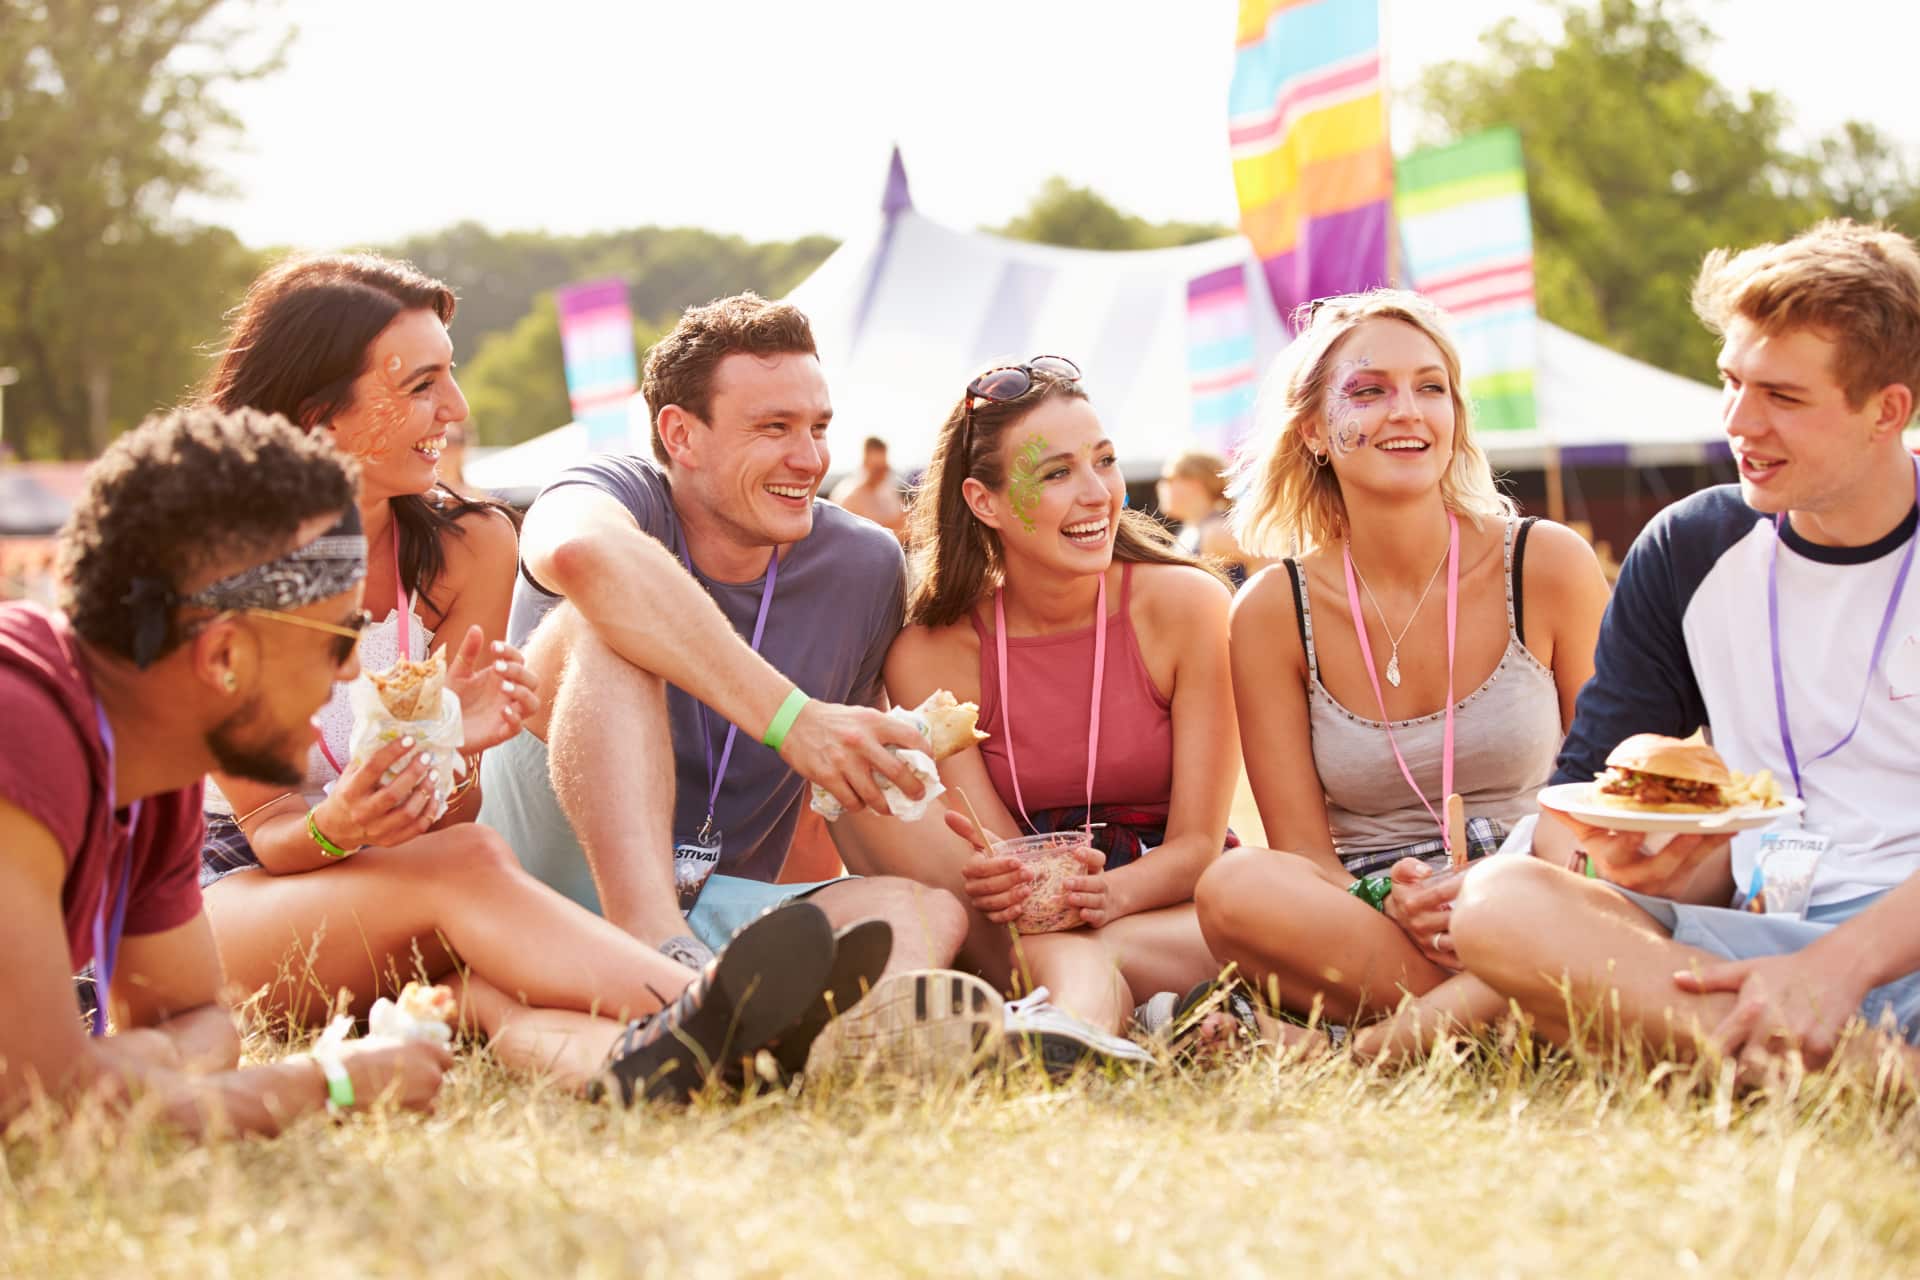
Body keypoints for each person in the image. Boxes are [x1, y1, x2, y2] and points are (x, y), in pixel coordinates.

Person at [194, 257, 847, 1102]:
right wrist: (343, 821)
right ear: (320, 415)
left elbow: (452, 812)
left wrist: (448, 752)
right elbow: (278, 830)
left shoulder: (468, 546)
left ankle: (668, 1063)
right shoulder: (221, 564)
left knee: (480, 985)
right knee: (467, 864)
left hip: (407, 883)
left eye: (450, 375)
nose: (457, 411)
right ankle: (717, 1003)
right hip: (239, 886)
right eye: (423, 384)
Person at [1450, 220, 1920, 1076]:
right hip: (1753, 935)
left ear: (1886, 411)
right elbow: (1578, 804)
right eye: (1731, 382)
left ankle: (1775, 1058)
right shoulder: (1689, 547)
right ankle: (1864, 1074)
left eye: (1783, 396)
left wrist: (1836, 968)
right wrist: (1617, 860)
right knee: (1499, 905)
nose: (1740, 422)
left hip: (1899, 939)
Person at [481, 292, 967, 977]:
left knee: (924, 915)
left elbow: (832, 799)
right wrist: (794, 720)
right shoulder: (615, 492)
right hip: (532, 901)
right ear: (680, 435)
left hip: (711, 912)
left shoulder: (864, 565)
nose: (809, 459)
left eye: (819, 427)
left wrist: (990, 876)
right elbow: (580, 556)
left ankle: (819, 1034)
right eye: (774, 428)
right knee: (603, 623)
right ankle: (656, 961)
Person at [0, 407, 448, 1134]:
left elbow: (202, 1020)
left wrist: (113, 1067)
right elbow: (41, 1111)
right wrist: (324, 1084)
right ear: (223, 657)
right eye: (341, 640)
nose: (351, 676)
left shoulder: (155, 771)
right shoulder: (18, 727)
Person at [1192, 290, 1611, 1059]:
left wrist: (1502, 889)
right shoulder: (1271, 609)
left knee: (1650, 885)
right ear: (1315, 431)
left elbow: (1606, 795)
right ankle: (1520, 1015)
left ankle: (1370, 1045)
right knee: (1234, 886)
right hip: (1375, 917)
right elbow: (1303, 854)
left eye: (1431, 387)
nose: (1408, 411)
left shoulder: (1547, 562)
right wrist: (1392, 900)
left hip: (1538, 885)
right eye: (1370, 390)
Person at [872, 353, 1240, 1063]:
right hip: (1029, 918)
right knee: (1040, 943)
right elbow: (997, 846)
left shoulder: (1187, 606)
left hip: (1170, 897)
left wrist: (1109, 897)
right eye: (1057, 473)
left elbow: (1199, 844)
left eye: (1103, 462)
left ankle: (1076, 1018)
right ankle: (1109, 1025)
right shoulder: (929, 652)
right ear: (985, 502)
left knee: (1245, 917)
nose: (1099, 493)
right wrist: (1011, 881)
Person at [1155, 449, 1267, 588]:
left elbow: (1272, 565)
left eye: (1168, 479)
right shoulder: (1193, 529)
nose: (1161, 486)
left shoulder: (1218, 531)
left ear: (1194, 484)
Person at [829, 435, 907, 541]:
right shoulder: (849, 495)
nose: (882, 474)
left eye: (885, 468)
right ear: (865, 463)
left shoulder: (888, 492)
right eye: (877, 469)